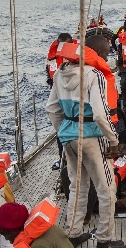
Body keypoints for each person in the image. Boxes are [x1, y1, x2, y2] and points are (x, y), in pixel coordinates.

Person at [45, 35, 120, 248]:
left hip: (68, 136)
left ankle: (73, 233)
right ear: (95, 54)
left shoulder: (60, 73)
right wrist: (113, 140)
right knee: (107, 189)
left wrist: (64, 131)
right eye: (105, 55)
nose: (106, 59)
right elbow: (99, 114)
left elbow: (52, 109)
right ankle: (105, 240)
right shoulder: (93, 75)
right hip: (93, 137)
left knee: (77, 187)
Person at [0, 201, 79, 248]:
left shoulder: (38, 247)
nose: (6, 238)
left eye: (4, 234)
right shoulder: (44, 230)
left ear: (13, 230)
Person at [46, 33, 74, 170]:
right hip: (58, 91)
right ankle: (62, 157)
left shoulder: (76, 54)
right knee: (61, 129)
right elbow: (49, 73)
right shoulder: (53, 55)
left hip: (73, 93)